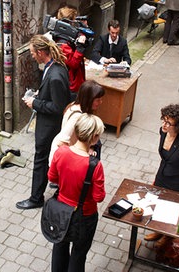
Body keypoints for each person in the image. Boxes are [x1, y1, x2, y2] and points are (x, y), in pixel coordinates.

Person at [16, 34, 70, 210]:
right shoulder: (55, 66)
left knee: (41, 160)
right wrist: (40, 95)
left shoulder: (55, 74)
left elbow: (58, 106)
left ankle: (36, 198)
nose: (31, 55)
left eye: (32, 52)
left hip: (48, 127)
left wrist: (35, 103)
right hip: (50, 125)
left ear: (40, 52)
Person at [48, 113, 106, 272]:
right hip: (85, 216)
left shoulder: (61, 152)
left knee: (59, 246)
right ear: (94, 137)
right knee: (79, 254)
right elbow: (98, 197)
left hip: (61, 210)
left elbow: (52, 177)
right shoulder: (95, 166)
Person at [145, 104, 179, 241]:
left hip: (176, 179)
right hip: (162, 174)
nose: (164, 124)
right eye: (164, 120)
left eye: (169, 123)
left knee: (171, 208)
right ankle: (158, 231)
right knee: (158, 202)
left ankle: (167, 237)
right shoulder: (163, 131)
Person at [48, 80, 105, 165]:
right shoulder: (77, 116)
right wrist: (75, 158)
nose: (101, 102)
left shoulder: (74, 105)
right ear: (89, 99)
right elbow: (61, 141)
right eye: (98, 100)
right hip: (65, 163)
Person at [51, 5, 88, 100]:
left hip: (77, 82)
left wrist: (83, 28)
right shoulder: (62, 44)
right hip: (72, 86)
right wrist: (79, 47)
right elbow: (73, 63)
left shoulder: (68, 36)